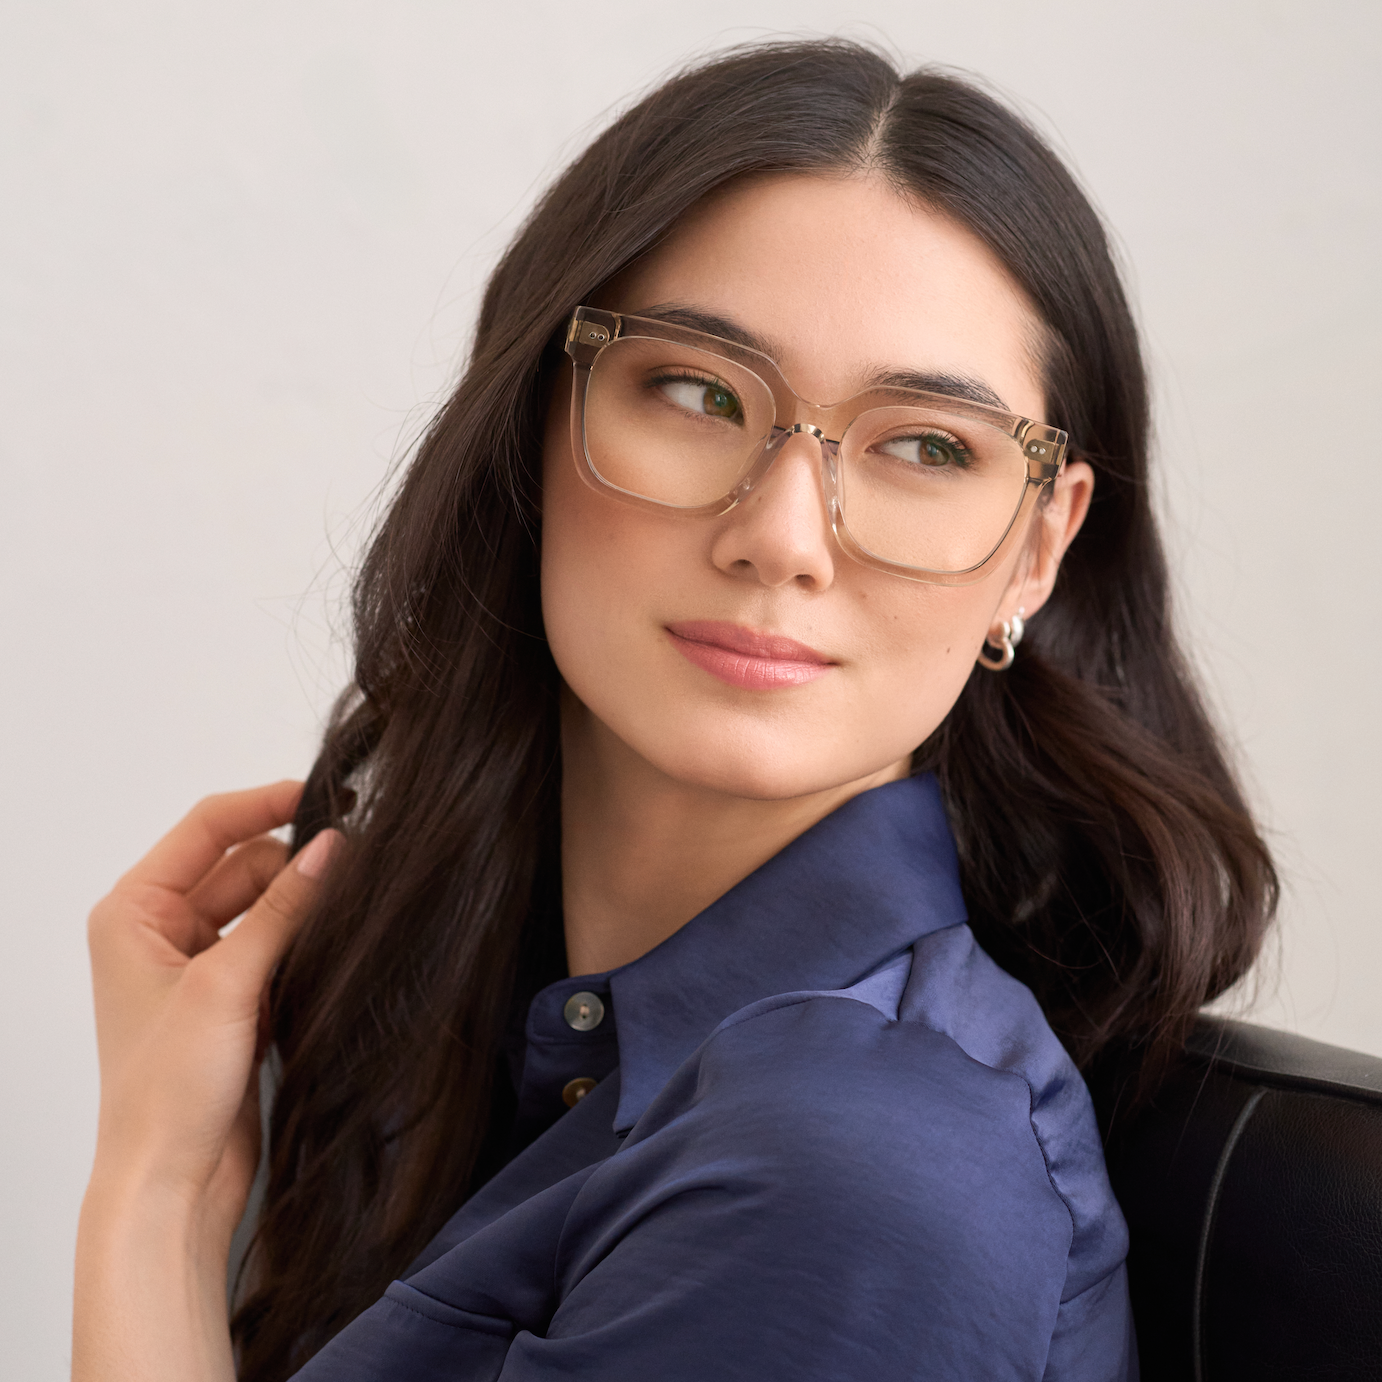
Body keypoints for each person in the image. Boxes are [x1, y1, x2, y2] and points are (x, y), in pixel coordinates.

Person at [72, 38, 1277, 1382]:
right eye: (699, 393)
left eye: (927, 446)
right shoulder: (459, 1024)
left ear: (1036, 550)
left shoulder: (854, 1175)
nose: (782, 538)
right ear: (537, 420)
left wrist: (154, 1199)